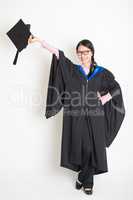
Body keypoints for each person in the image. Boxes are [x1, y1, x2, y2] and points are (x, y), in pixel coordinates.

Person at [28, 36, 125, 195]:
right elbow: (58, 54)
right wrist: (39, 41)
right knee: (84, 148)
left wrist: (104, 98)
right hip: (77, 116)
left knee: (93, 149)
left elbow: (116, 88)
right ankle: (83, 178)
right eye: (79, 52)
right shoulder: (73, 70)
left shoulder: (101, 73)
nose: (82, 55)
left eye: (86, 52)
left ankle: (86, 181)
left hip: (95, 117)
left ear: (92, 53)